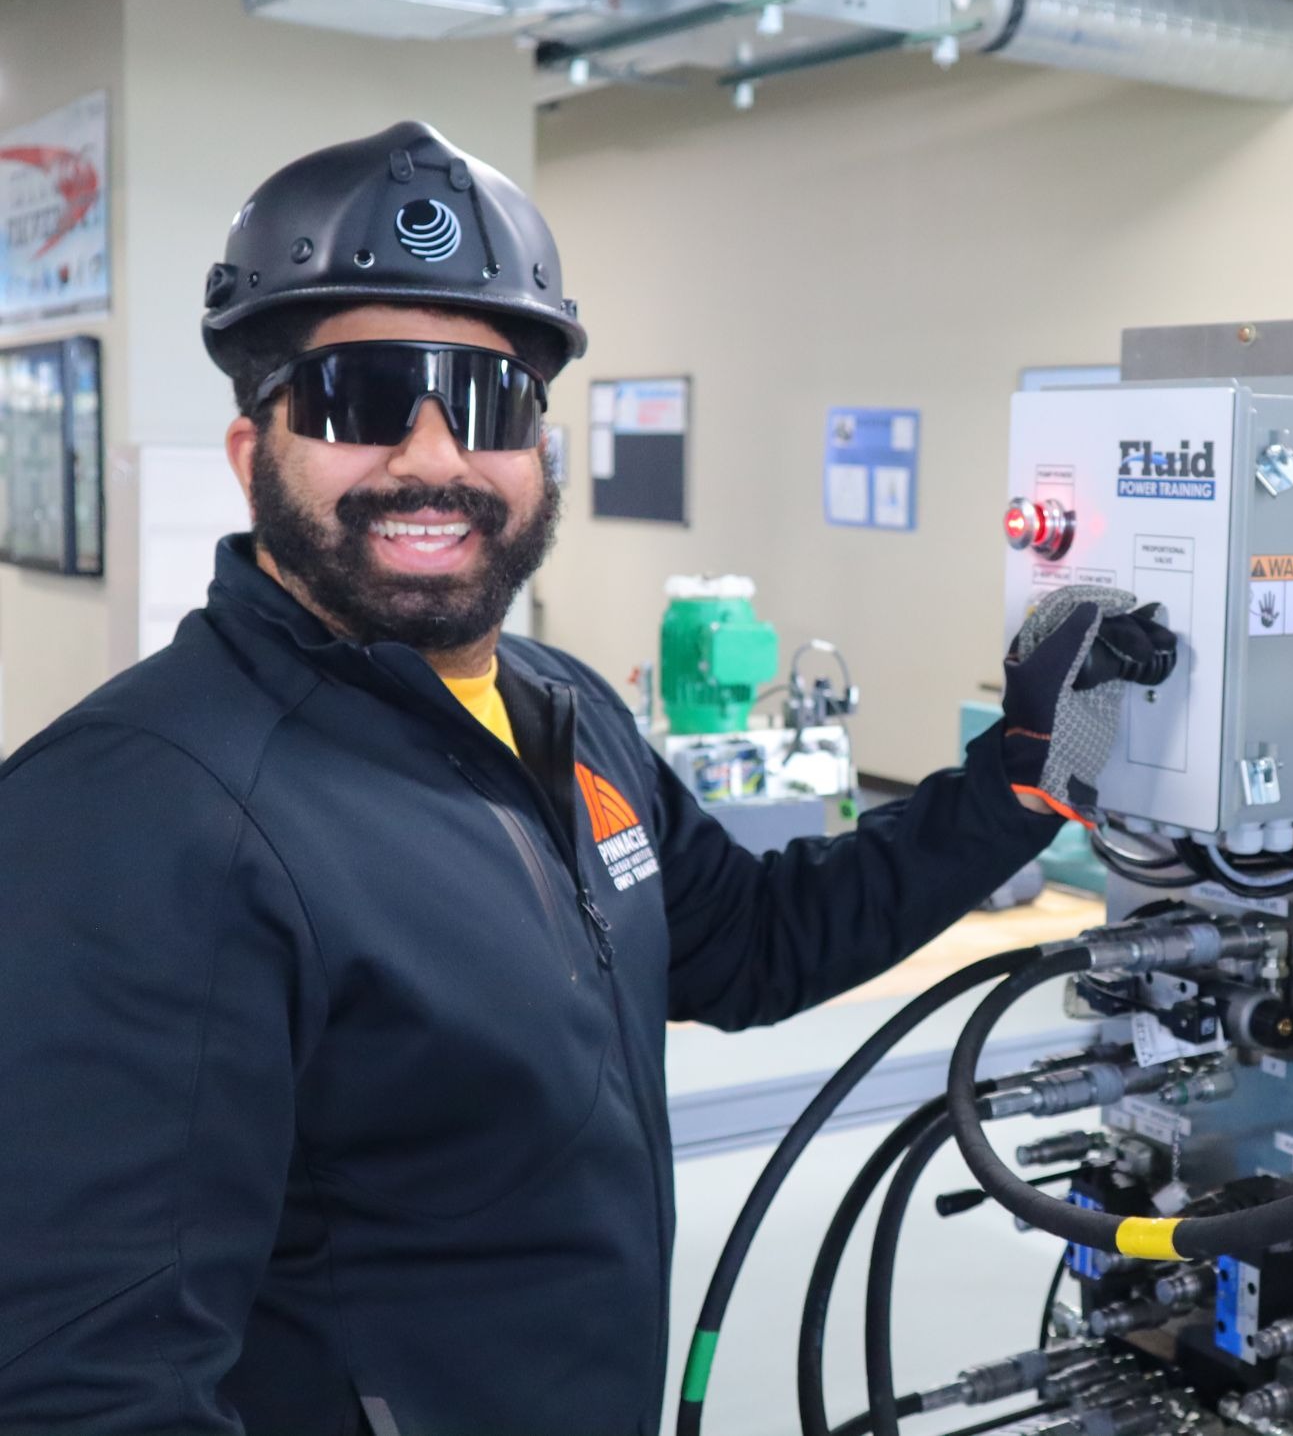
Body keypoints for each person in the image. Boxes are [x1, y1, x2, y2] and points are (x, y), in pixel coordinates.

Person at [0, 123, 1175, 1435]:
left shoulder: (561, 711)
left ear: (540, 451)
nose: (434, 458)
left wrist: (1022, 775)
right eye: (362, 398)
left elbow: (753, 941)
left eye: (489, 403)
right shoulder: (138, 812)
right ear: (250, 452)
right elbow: (87, 1389)